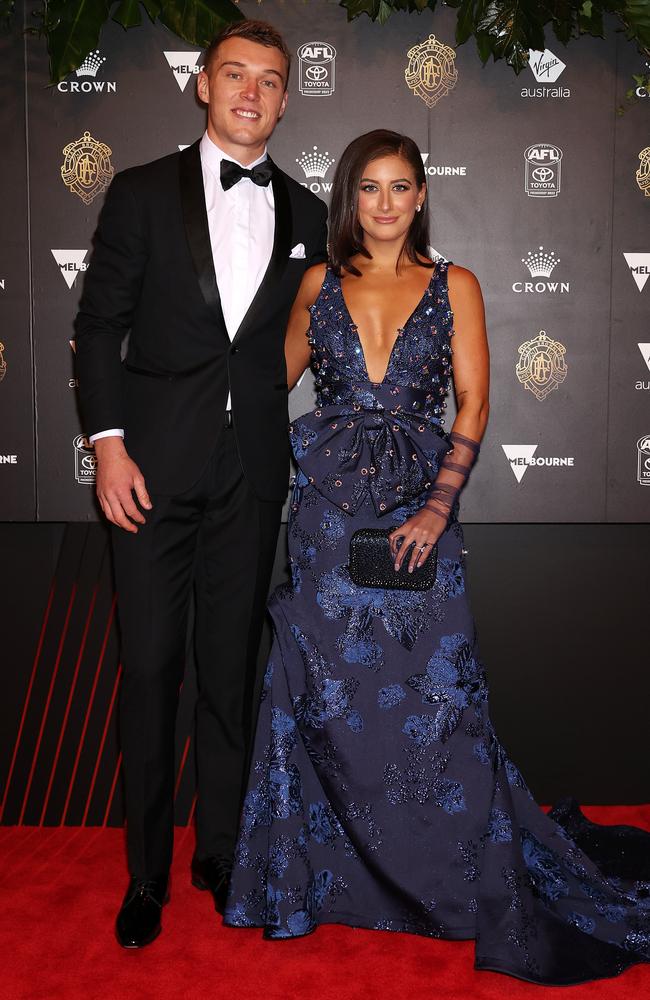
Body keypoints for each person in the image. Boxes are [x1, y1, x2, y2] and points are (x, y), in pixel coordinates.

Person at [223, 129, 650, 984]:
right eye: (369, 188)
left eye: (401, 187)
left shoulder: (457, 284)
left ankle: (445, 885)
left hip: (421, 513)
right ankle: (311, 885)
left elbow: (477, 400)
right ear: (352, 199)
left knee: (438, 699)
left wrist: (437, 510)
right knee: (317, 697)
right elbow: (269, 386)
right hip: (328, 526)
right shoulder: (319, 284)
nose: (385, 203)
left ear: (422, 195)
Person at [74, 20, 328, 949]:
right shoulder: (142, 193)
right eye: (235, 74)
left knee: (231, 674)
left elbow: (296, 340)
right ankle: (146, 874)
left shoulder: (306, 213)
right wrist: (107, 445)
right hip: (145, 467)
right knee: (149, 671)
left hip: (252, 473)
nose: (251, 92)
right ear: (203, 85)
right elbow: (98, 327)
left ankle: (219, 851)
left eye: (269, 79)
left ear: (286, 96)